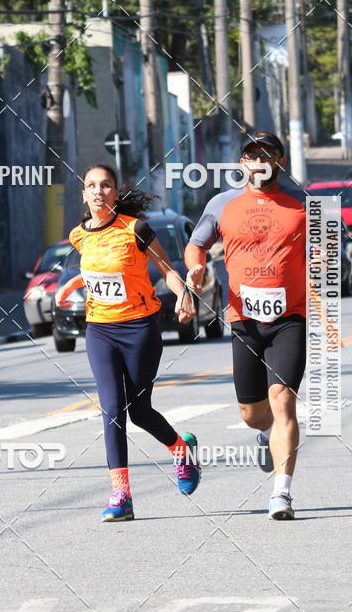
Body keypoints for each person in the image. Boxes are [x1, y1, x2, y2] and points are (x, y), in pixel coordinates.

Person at [56, 164, 201, 523]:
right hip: (100, 330)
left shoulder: (135, 229)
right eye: (91, 185)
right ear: (84, 194)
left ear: (115, 193)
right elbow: (97, 272)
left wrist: (184, 296)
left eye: (105, 185)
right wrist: (73, 285)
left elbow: (167, 270)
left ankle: (181, 450)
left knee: (140, 411)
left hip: (139, 328)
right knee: (111, 411)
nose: (98, 191)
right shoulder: (78, 236)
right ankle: (121, 495)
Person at [184, 131, 306, 520]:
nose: (259, 160)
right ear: (242, 164)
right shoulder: (222, 204)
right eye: (252, 154)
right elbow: (196, 243)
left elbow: (326, 245)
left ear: (279, 163)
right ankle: (265, 435)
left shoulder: (303, 204)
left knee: (283, 400)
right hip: (244, 320)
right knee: (252, 413)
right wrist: (196, 266)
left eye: (267, 154)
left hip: (290, 318)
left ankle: (281, 494)